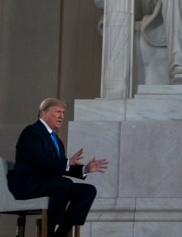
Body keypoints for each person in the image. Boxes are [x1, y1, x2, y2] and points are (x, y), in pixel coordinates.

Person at [8, 98, 109, 237]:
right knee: (63, 184)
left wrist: (85, 169)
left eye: (63, 112)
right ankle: (48, 231)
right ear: (44, 114)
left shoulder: (57, 140)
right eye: (57, 112)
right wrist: (67, 162)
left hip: (50, 184)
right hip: (28, 184)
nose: (61, 116)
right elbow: (38, 161)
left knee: (87, 191)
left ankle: (60, 233)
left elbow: (60, 165)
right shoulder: (31, 132)